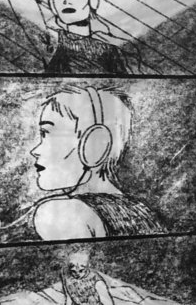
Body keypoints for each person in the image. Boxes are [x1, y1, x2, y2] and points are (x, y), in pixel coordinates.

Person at [30, 85, 164, 239]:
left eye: (48, 134)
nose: (35, 151)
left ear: (95, 144)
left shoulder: (63, 214)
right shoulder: (142, 212)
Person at [4, 0, 140, 74]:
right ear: (52, 3)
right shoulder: (53, 40)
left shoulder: (110, 47)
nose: (66, 1)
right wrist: (53, 5)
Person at [36, 248, 135, 305]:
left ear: (88, 266)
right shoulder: (66, 276)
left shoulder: (97, 281)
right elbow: (69, 299)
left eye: (81, 271)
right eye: (73, 271)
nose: (77, 274)